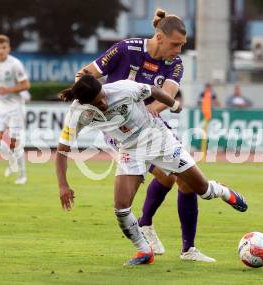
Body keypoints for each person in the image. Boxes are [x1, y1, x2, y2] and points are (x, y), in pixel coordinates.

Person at [55, 75, 248, 266]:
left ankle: (223, 192)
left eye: (103, 96)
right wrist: (63, 185)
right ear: (85, 103)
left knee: (204, 191)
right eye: (98, 102)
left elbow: (153, 90)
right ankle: (144, 251)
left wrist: (173, 105)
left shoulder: (124, 89)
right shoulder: (77, 113)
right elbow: (62, 151)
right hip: (130, 150)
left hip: (159, 139)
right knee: (121, 208)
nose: (104, 102)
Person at [74, 9, 213, 262]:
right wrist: (84, 95)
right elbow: (85, 74)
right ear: (159, 37)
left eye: (183, 45)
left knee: (184, 180)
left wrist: (147, 113)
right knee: (166, 177)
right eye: (176, 44)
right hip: (121, 131)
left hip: (151, 123)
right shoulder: (126, 49)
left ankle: (188, 249)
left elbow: (167, 97)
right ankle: (146, 227)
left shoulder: (175, 64)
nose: (179, 50)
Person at [0, 35, 31, 185]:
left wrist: (9, 90)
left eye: (4, 48)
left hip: (16, 107)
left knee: (14, 142)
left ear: (9, 49)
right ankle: (11, 159)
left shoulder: (15, 64)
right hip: (0, 107)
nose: (1, 51)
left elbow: (26, 85)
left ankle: (22, 175)